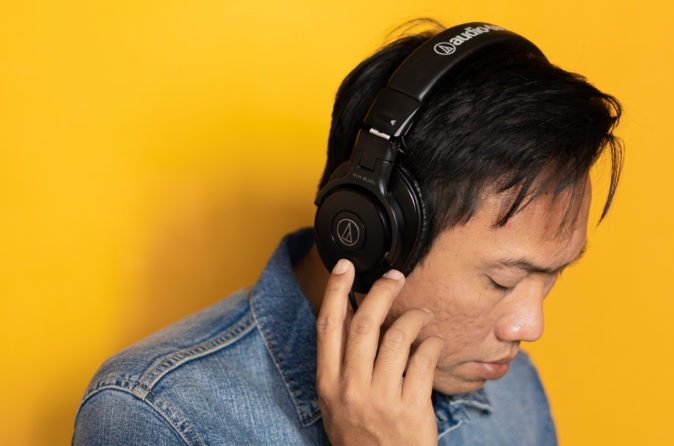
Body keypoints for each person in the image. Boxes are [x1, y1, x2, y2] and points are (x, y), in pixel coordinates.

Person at [72, 19, 622, 445]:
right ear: (367, 237)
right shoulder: (159, 414)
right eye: (503, 282)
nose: (530, 327)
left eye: (553, 277)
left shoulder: (510, 393)